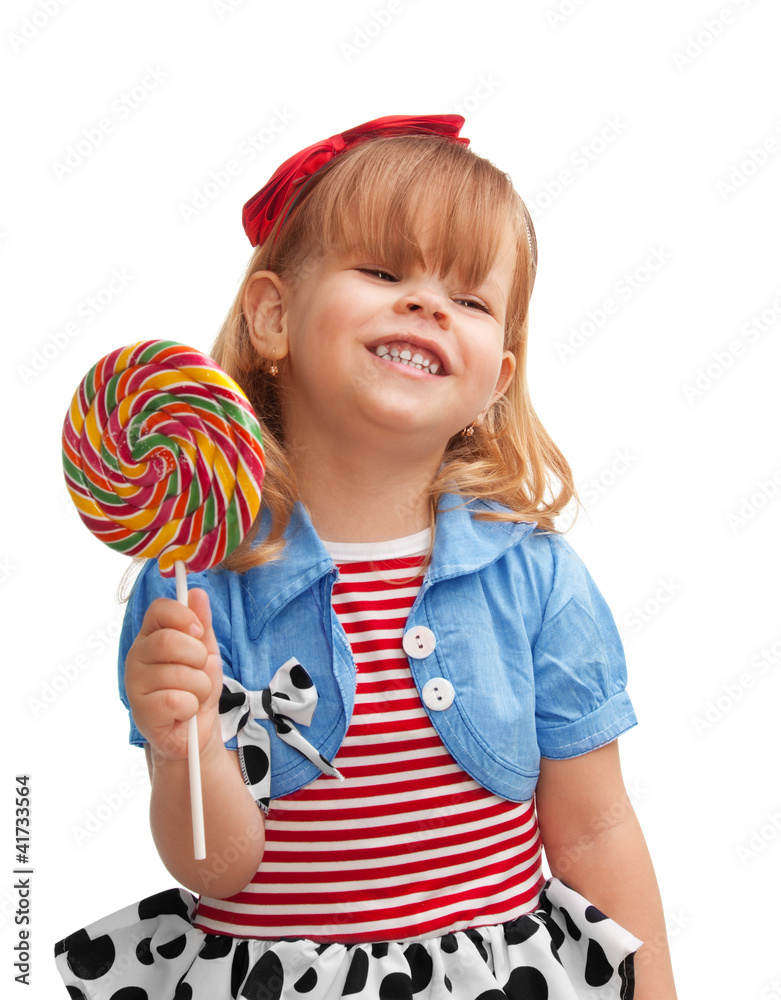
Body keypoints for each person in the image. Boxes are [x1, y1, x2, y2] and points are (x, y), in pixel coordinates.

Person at [55, 115, 678, 1000]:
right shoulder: (194, 583)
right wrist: (188, 739)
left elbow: (595, 829)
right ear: (273, 315)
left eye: (468, 298)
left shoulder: (533, 577)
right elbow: (217, 867)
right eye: (383, 272)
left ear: (492, 379)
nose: (426, 304)